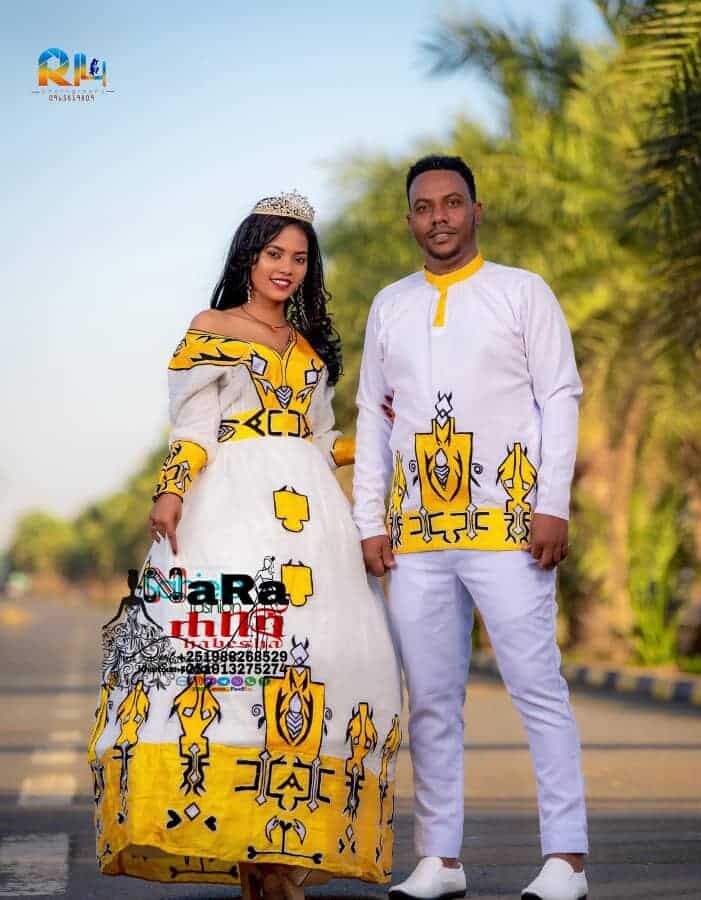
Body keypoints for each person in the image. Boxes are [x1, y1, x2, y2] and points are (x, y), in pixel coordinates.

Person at [88, 192, 403, 900]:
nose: (286, 268)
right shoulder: (212, 327)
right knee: (235, 666)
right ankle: (248, 853)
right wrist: (171, 490)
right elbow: (195, 427)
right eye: (274, 254)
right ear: (248, 258)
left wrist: (375, 435)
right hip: (232, 507)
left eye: (299, 257)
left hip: (314, 517)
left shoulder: (311, 343)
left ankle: (281, 860)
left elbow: (320, 438)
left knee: (316, 666)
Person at [352, 156, 589, 900]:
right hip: (416, 536)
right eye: (425, 207)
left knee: (535, 685)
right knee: (429, 696)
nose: (440, 218)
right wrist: (369, 518)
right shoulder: (390, 304)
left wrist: (554, 502)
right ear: (410, 220)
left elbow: (560, 394)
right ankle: (440, 859)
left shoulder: (522, 292)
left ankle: (567, 860)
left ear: (476, 210)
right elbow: (371, 413)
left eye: (452, 203)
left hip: (511, 528)